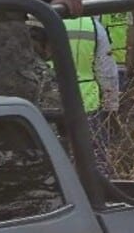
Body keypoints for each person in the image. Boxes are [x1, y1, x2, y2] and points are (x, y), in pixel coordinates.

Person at [27, 15, 119, 176]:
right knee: (93, 161)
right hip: (86, 104)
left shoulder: (32, 16)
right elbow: (107, 71)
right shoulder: (92, 25)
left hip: (37, 114)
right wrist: (111, 106)